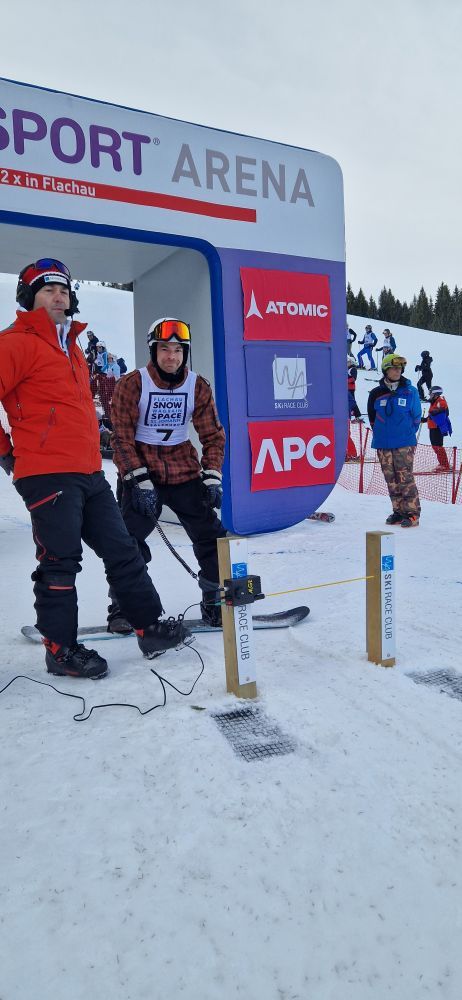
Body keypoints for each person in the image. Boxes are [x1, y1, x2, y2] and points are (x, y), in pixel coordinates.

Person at [0, 258, 190, 678]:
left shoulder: (70, 346)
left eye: (63, 290)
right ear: (29, 297)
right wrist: (6, 453)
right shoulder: (13, 342)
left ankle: (149, 627)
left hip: (88, 471)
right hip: (46, 473)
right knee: (60, 561)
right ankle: (60, 651)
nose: (58, 297)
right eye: (47, 290)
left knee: (123, 550)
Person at [109, 316, 227, 632]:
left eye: (178, 350)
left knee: (212, 536)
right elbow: (120, 438)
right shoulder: (132, 384)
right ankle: (123, 607)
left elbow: (213, 436)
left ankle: (214, 601)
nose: (171, 357)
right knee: (128, 541)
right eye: (164, 349)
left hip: (182, 470)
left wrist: (212, 474)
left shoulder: (197, 386)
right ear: (153, 350)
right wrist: (138, 479)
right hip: (141, 471)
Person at [367, 353, 422, 527]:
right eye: (394, 368)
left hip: (404, 443)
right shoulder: (376, 393)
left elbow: (416, 417)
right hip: (383, 444)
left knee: (405, 478)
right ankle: (398, 512)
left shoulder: (410, 391)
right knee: (390, 479)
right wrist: (382, 434)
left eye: (400, 368)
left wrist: (405, 433)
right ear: (386, 370)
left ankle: (412, 514)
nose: (398, 371)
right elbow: (372, 418)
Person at [421, 386, 452, 471]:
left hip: (438, 427)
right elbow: (432, 415)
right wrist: (425, 419)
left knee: (438, 446)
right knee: (435, 446)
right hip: (432, 427)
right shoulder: (434, 401)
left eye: (431, 393)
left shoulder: (440, 401)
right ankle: (443, 463)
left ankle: (445, 465)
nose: (429, 395)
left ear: (436, 394)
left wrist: (438, 411)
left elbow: (445, 411)